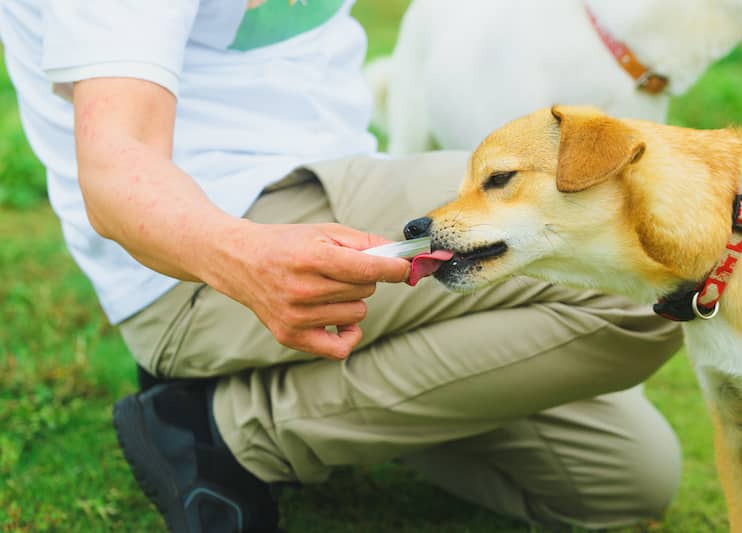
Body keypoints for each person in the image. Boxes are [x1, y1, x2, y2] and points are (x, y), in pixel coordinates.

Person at [0, 1, 684, 532]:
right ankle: (235, 433)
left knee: (626, 477)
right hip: (211, 248)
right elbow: (116, 170)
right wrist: (242, 258)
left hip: (349, 186)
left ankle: (233, 413)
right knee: (637, 254)